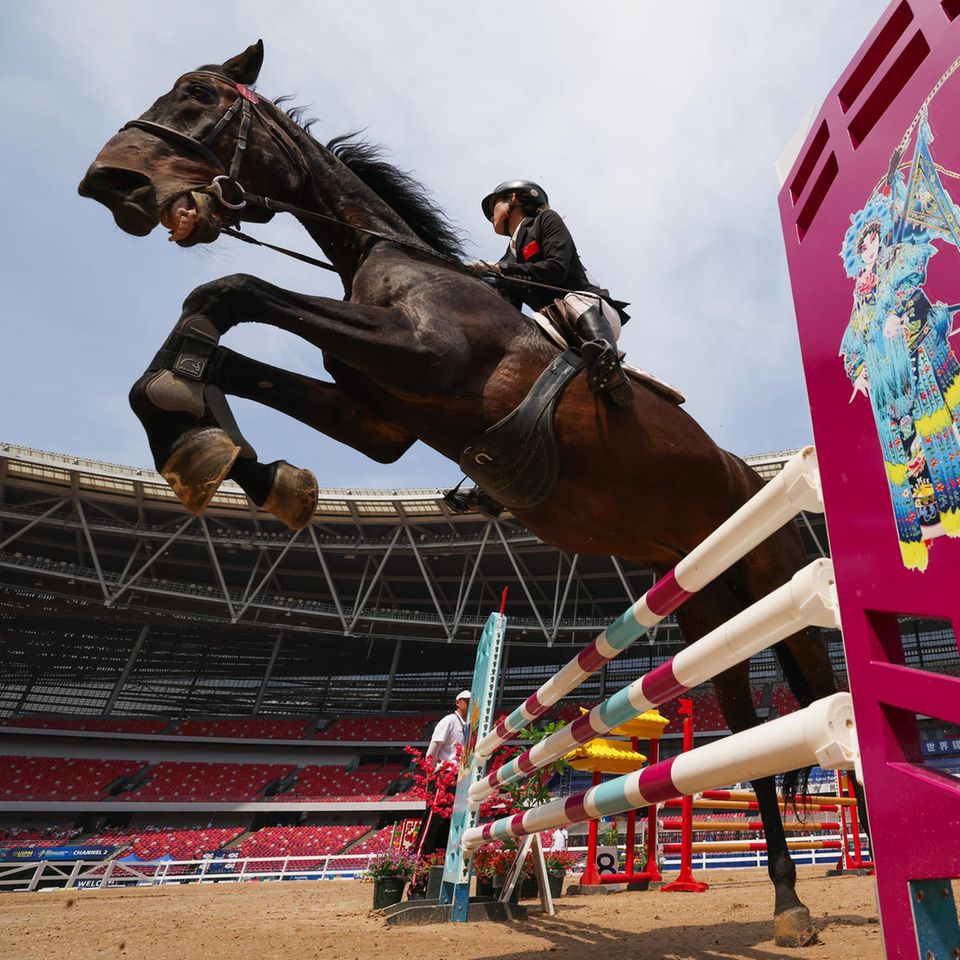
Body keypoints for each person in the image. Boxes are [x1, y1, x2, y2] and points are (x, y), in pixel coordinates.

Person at [469, 179, 632, 408]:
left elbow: (555, 269)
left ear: (512, 199)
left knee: (572, 301)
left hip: (592, 310)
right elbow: (507, 307)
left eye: (493, 205)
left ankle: (608, 360)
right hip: (554, 322)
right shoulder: (509, 256)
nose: (490, 216)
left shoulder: (546, 220)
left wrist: (499, 269)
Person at [415, 691, 470, 858]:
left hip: (460, 777)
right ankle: (419, 867)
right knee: (434, 823)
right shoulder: (449, 721)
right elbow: (433, 750)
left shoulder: (468, 726)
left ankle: (438, 864)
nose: (470, 704)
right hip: (444, 776)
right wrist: (431, 777)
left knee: (450, 826)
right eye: (467, 701)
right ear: (458, 702)